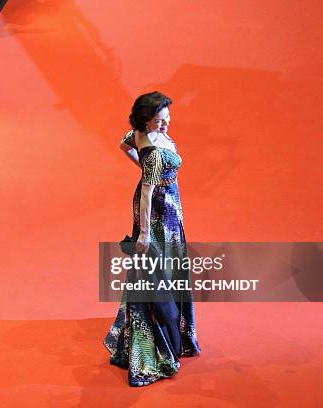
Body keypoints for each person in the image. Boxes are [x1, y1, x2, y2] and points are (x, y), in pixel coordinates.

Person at [104, 91, 201, 387]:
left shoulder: (138, 134)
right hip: (159, 212)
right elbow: (147, 192)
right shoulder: (156, 153)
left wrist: (145, 167)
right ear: (146, 121)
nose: (166, 124)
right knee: (157, 270)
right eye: (159, 120)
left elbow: (124, 144)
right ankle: (157, 343)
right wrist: (144, 232)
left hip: (167, 205)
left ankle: (171, 328)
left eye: (168, 118)